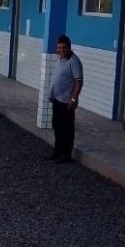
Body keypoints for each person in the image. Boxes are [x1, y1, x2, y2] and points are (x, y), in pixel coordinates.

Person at [47, 34, 83, 162]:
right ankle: (57, 151)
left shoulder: (74, 61)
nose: (61, 50)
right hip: (57, 99)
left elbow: (79, 81)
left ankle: (66, 154)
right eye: (59, 47)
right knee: (57, 126)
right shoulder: (60, 59)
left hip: (67, 102)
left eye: (64, 48)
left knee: (67, 128)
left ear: (69, 48)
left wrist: (73, 99)